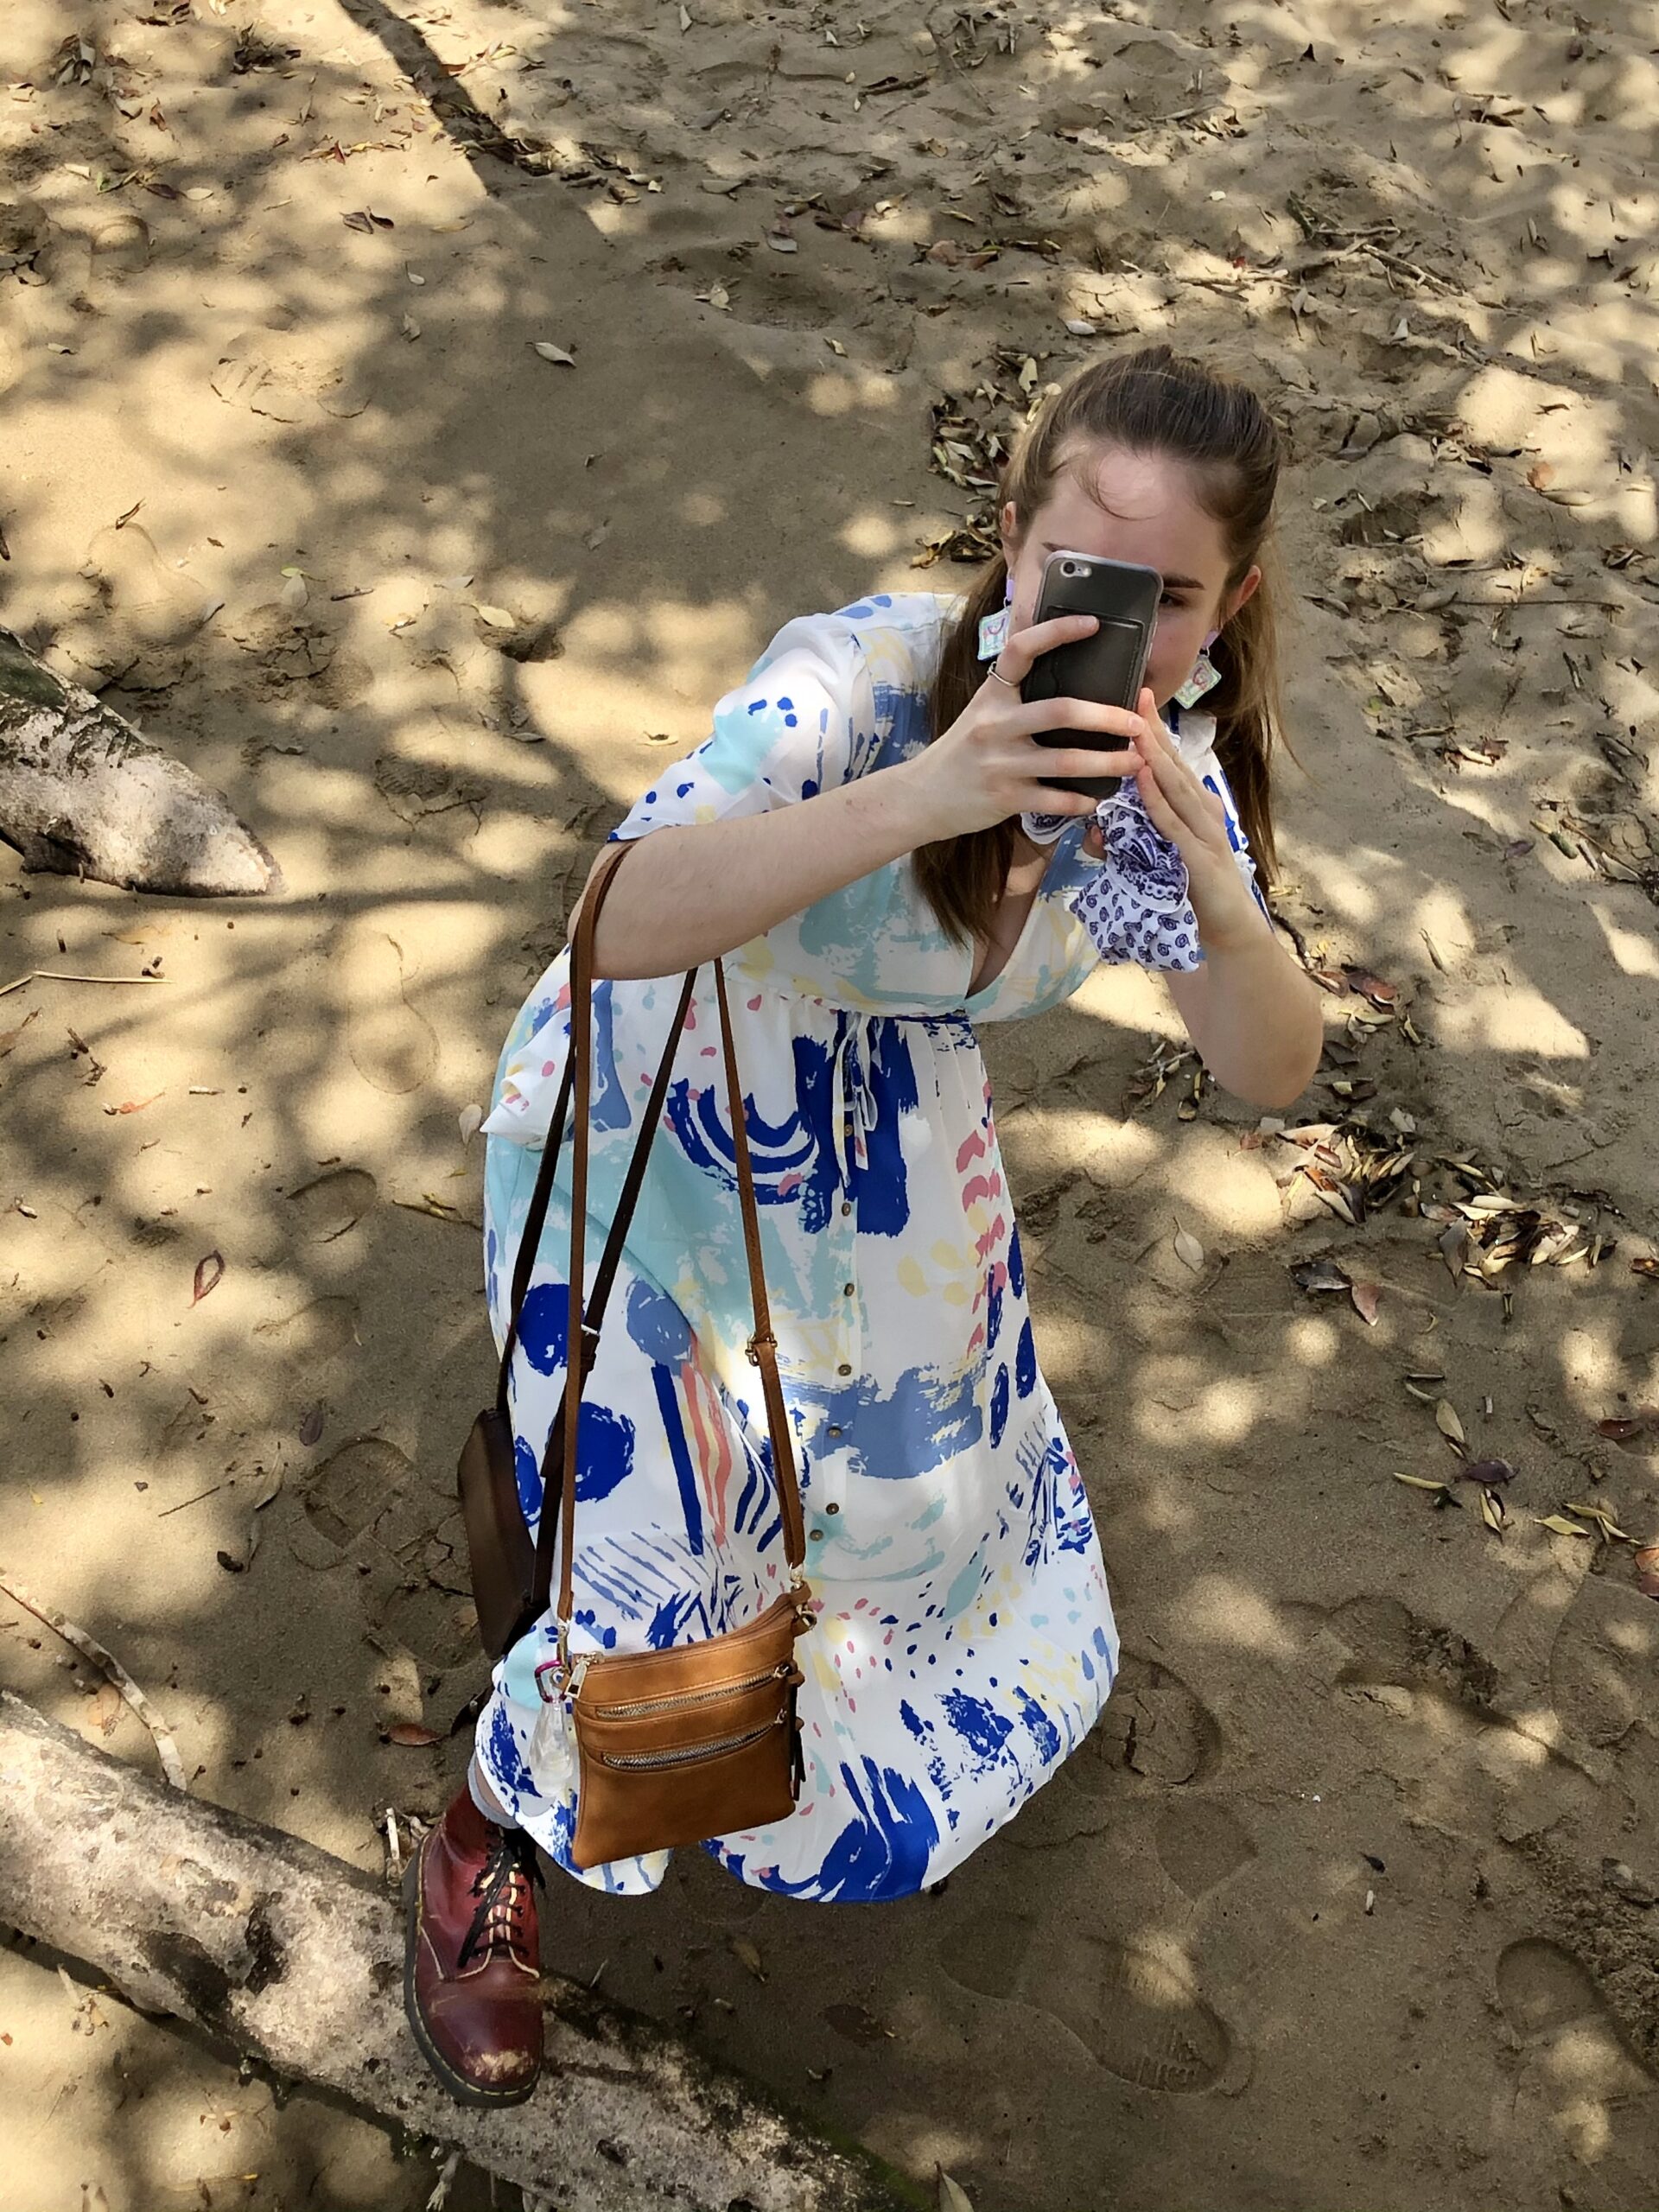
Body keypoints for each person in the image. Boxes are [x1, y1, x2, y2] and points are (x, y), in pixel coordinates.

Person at [403, 344, 1324, 2105]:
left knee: (898, 1523)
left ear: (1230, 602)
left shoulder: (1166, 777)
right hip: (668, 1120)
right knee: (668, 1538)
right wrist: (937, 787)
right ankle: (484, 1844)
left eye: (1168, 597)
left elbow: (1270, 1065)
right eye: (1075, 576)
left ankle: (750, 1740)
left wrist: (1211, 883)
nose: (1111, 626)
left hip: (884, 1155)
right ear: (1010, 535)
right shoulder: (863, 682)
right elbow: (617, 915)